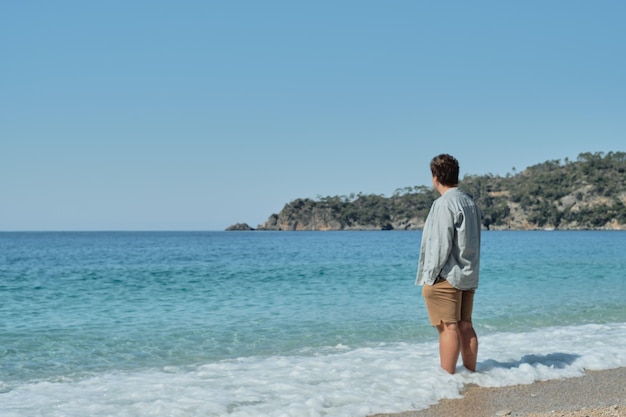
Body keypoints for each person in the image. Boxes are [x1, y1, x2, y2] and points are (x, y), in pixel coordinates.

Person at [415, 154, 481, 374]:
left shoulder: (444, 204)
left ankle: (448, 380)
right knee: (465, 326)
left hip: (447, 276)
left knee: (448, 328)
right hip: (467, 274)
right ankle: (472, 375)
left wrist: (430, 278)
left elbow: (441, 244)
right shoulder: (469, 202)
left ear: (435, 177)